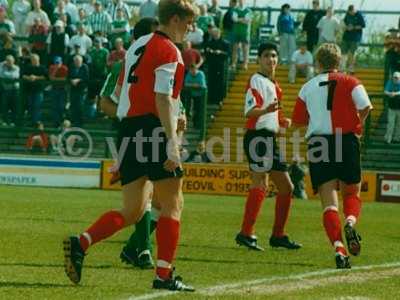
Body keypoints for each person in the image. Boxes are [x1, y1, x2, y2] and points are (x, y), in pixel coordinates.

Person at [63, 0, 197, 292]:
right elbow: (162, 98)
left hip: (129, 128)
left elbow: (124, 94)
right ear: (175, 19)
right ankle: (163, 276)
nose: (191, 28)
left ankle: (81, 242)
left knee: (133, 210)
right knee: (173, 204)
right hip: (154, 129)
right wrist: (172, 141)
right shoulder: (171, 51)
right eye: (189, 22)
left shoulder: (137, 46)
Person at [291, 43, 372, 268]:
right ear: (340, 62)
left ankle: (338, 248)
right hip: (346, 139)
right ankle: (350, 221)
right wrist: (357, 125)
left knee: (328, 202)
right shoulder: (351, 81)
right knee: (352, 192)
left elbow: (297, 121)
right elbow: (366, 107)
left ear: (318, 63)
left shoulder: (307, 87)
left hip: (319, 143)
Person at [235, 42, 301, 252]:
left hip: (268, 139)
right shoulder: (256, 80)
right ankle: (248, 233)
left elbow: (274, 112)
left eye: (273, 55)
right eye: (266, 55)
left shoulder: (275, 86)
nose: (270, 59)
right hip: (257, 137)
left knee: (286, 187)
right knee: (263, 184)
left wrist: (283, 120)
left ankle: (276, 235)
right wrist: (266, 111)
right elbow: (250, 111)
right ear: (259, 60)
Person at [22, 54, 47, 125]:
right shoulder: (28, 67)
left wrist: (36, 77)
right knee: (30, 105)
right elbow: (23, 75)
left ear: (38, 60)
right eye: (32, 60)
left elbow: (46, 77)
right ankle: (30, 121)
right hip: (29, 90)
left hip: (38, 90)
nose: (34, 61)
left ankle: (36, 121)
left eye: (35, 60)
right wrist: (29, 77)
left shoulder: (42, 67)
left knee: (37, 106)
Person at [341, 5, 365, 74]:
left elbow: (363, 25)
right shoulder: (347, 14)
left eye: (352, 12)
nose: (351, 13)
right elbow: (344, 22)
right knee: (343, 52)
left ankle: (351, 68)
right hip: (346, 36)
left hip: (355, 38)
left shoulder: (359, 15)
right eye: (349, 12)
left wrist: (353, 27)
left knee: (353, 53)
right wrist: (346, 27)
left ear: (354, 10)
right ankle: (343, 68)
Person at [231, 0, 252, 70]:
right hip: (236, 32)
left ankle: (245, 63)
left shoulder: (248, 10)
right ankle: (234, 63)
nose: (241, 1)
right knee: (235, 48)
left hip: (245, 33)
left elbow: (247, 20)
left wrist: (238, 19)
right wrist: (242, 19)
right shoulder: (235, 10)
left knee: (245, 49)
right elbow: (234, 19)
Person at [49, 56, 68, 127]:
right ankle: (56, 123)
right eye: (56, 63)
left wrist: (56, 79)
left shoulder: (64, 68)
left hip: (62, 90)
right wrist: (55, 70)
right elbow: (51, 78)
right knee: (54, 106)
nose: (57, 64)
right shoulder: (52, 68)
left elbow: (65, 79)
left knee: (61, 106)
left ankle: (62, 122)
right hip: (54, 89)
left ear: (61, 62)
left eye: (58, 62)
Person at [0, 55, 19, 127]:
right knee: (4, 106)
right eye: (7, 61)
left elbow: (14, 76)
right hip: (5, 90)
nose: (9, 62)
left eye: (10, 61)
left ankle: (13, 122)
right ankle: (5, 121)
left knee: (14, 107)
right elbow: (1, 74)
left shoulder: (16, 67)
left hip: (14, 90)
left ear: (13, 61)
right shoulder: (2, 67)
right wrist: (2, 64)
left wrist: (5, 75)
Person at [384, 71, 400, 144]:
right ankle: (388, 139)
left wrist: (394, 93)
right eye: (394, 77)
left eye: (397, 78)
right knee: (391, 123)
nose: (395, 79)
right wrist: (390, 93)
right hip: (392, 107)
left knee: (399, 124)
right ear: (393, 77)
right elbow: (385, 91)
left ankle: (397, 139)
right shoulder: (390, 82)